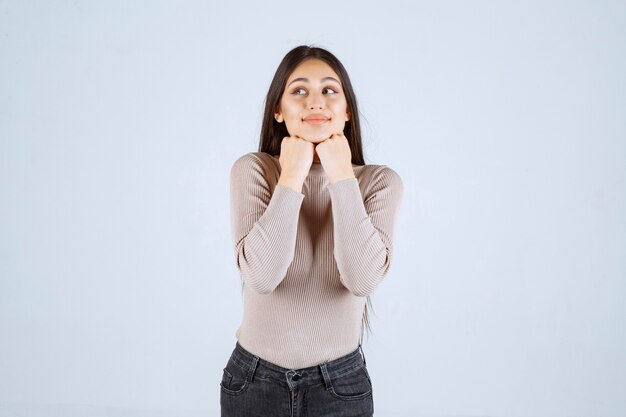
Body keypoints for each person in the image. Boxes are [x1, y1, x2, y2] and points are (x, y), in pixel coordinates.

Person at [220, 45, 403, 417]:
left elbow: (362, 279)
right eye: (299, 91)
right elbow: (262, 276)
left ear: (347, 110)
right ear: (278, 110)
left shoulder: (379, 183)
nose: (315, 102)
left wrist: (340, 175)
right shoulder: (254, 171)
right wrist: (292, 177)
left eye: (329, 90)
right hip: (253, 381)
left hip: (339, 386)